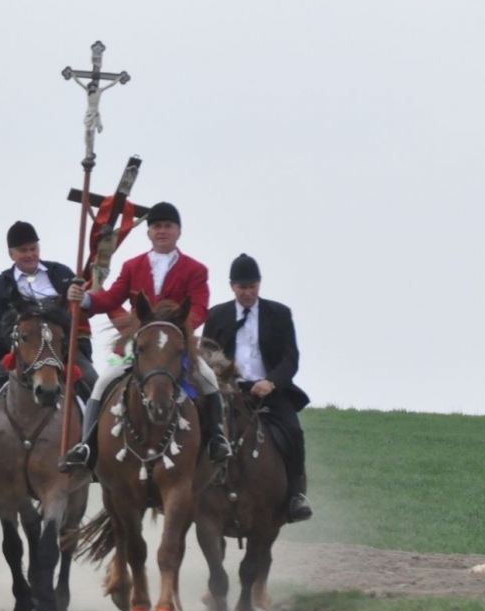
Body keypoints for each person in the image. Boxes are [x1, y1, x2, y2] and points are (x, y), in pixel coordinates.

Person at [63, 202, 230, 472]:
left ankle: (217, 439)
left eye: (168, 226)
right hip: (137, 345)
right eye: (156, 226)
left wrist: (175, 330)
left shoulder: (195, 269)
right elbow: (112, 298)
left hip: (176, 346)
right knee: (103, 381)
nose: (162, 231)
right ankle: (87, 446)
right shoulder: (132, 266)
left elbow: (199, 308)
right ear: (149, 233)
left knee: (208, 379)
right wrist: (84, 300)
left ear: (178, 232)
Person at [202, 254, 313, 523]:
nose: (248, 293)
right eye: (242, 287)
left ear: (260, 284)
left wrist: (271, 382)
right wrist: (221, 382)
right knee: (199, 427)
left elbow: (291, 357)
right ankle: (191, 490)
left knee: (294, 432)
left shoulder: (279, 313)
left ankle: (296, 495)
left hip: (269, 390)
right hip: (228, 392)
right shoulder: (217, 315)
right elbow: (205, 355)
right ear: (232, 286)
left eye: (252, 286)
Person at [0, 220, 95, 391]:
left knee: (94, 382)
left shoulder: (62, 273)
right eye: (23, 250)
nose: (29, 254)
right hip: (21, 350)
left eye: (33, 249)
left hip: (64, 348)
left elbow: (85, 310)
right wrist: (20, 342)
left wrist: (78, 296)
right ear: (11, 254)